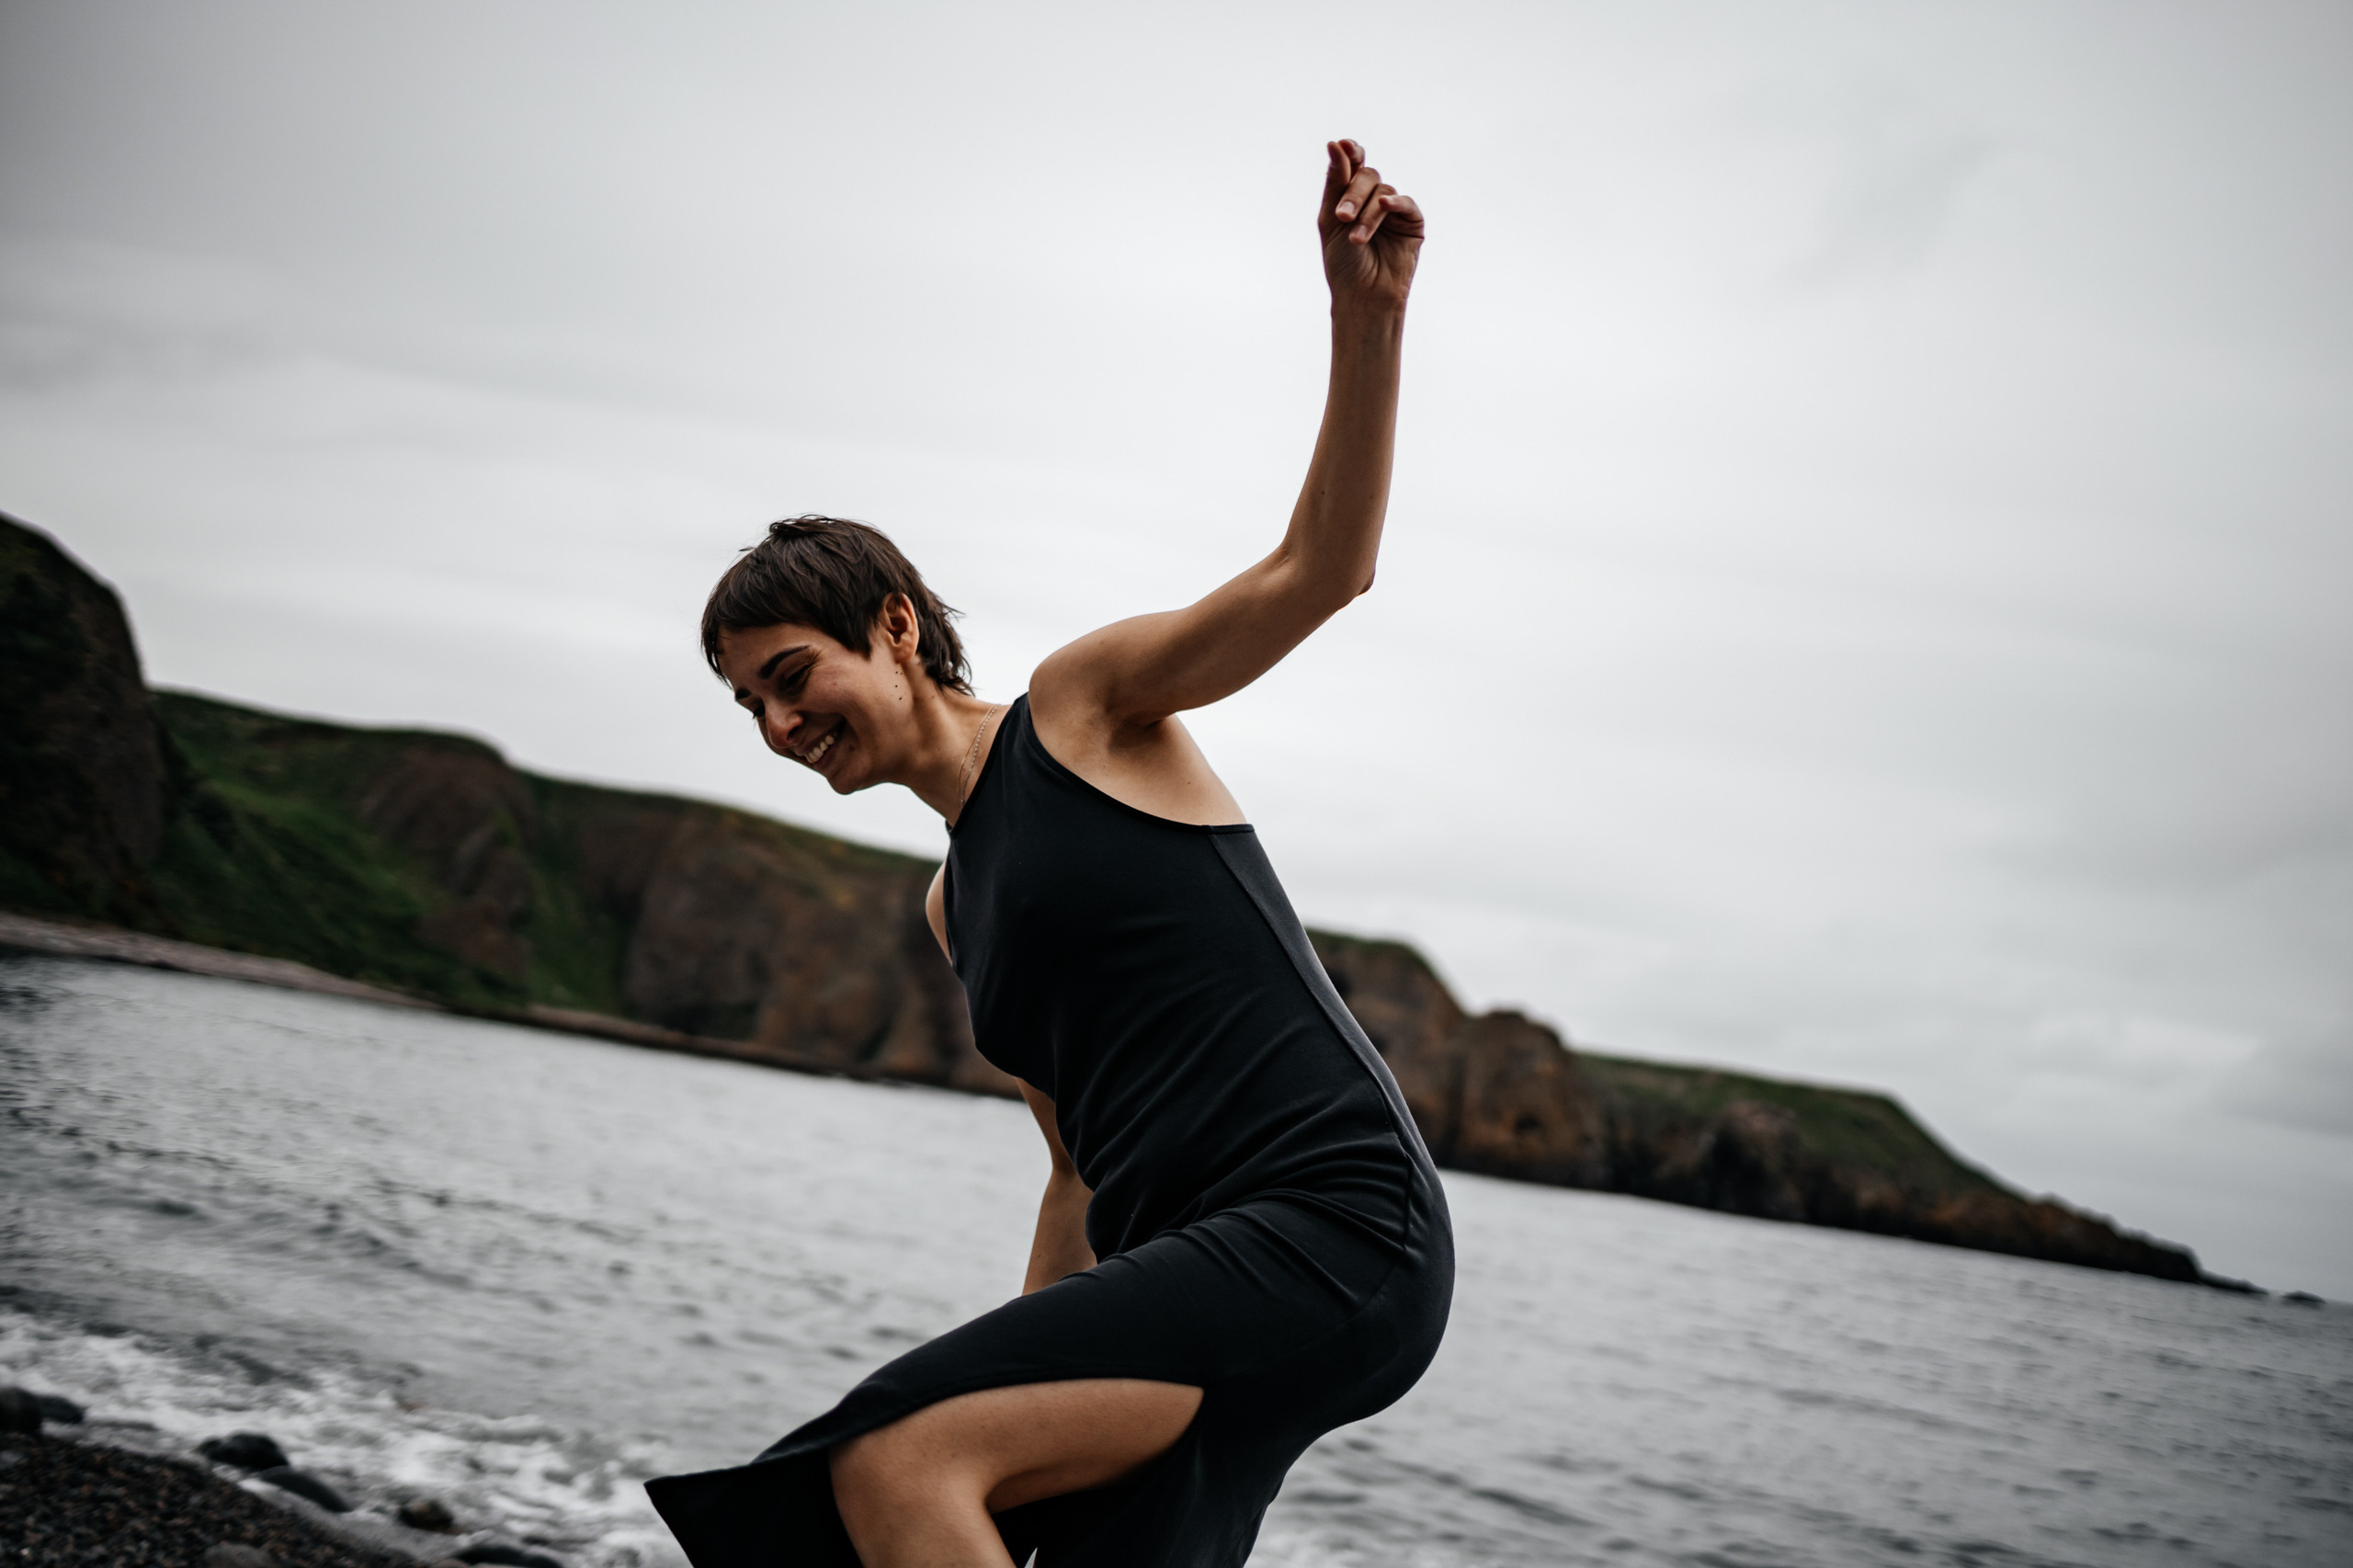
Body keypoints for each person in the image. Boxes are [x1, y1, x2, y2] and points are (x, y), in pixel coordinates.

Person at [646, 139, 1450, 1568]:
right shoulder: (956, 907)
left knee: (897, 1463)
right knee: (1014, 1522)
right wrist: (1018, 1348)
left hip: (1330, 1219)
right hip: (1185, 1269)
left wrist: (1365, 313)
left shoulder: (1082, 712)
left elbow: (1318, 571)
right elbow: (1077, 1175)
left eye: (790, 673)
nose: (777, 722)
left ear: (893, 625)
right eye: (749, 704)